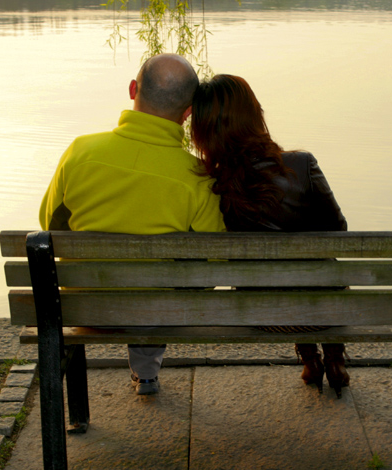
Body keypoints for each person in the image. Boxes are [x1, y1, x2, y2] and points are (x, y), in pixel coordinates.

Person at [39, 54, 225, 395]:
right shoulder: (198, 177)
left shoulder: (80, 152)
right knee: (162, 283)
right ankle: (147, 372)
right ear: (187, 113)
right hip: (157, 314)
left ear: (132, 89)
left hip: (85, 307)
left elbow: (48, 224)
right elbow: (214, 260)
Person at [190, 74, 350, 397]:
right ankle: (334, 358)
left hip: (260, 313)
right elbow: (338, 230)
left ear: (204, 130)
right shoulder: (302, 165)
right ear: (255, 115)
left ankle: (310, 360)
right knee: (321, 267)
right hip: (323, 311)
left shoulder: (210, 184)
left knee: (281, 274)